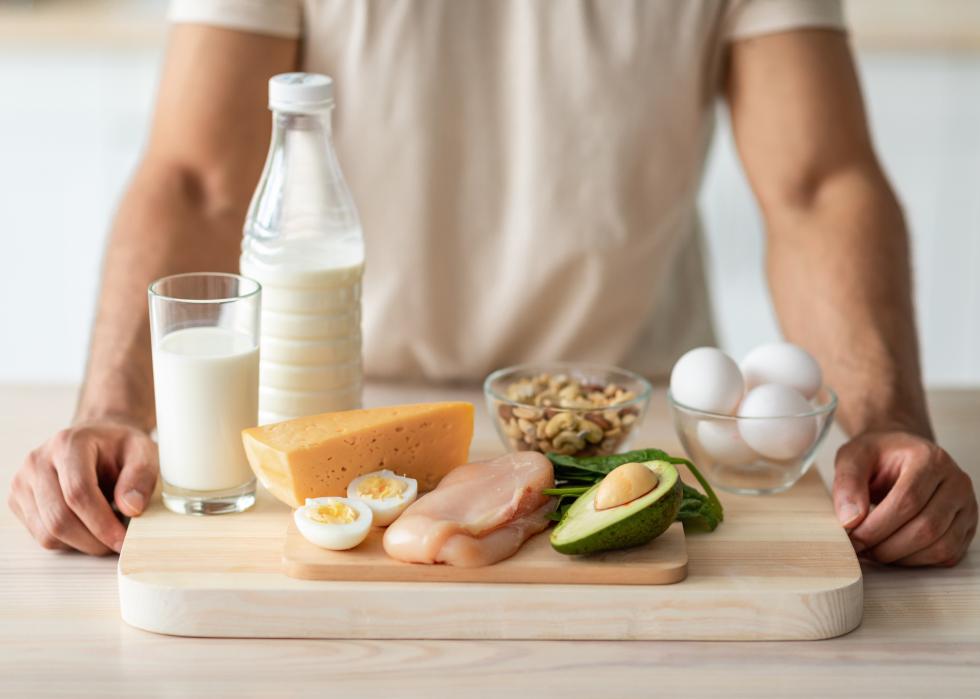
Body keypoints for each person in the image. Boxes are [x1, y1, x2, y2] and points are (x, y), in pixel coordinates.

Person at [9, 0, 976, 565]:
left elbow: (818, 184)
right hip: (341, 423)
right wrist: (112, 407)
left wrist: (892, 423)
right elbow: (196, 175)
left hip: (624, 428)